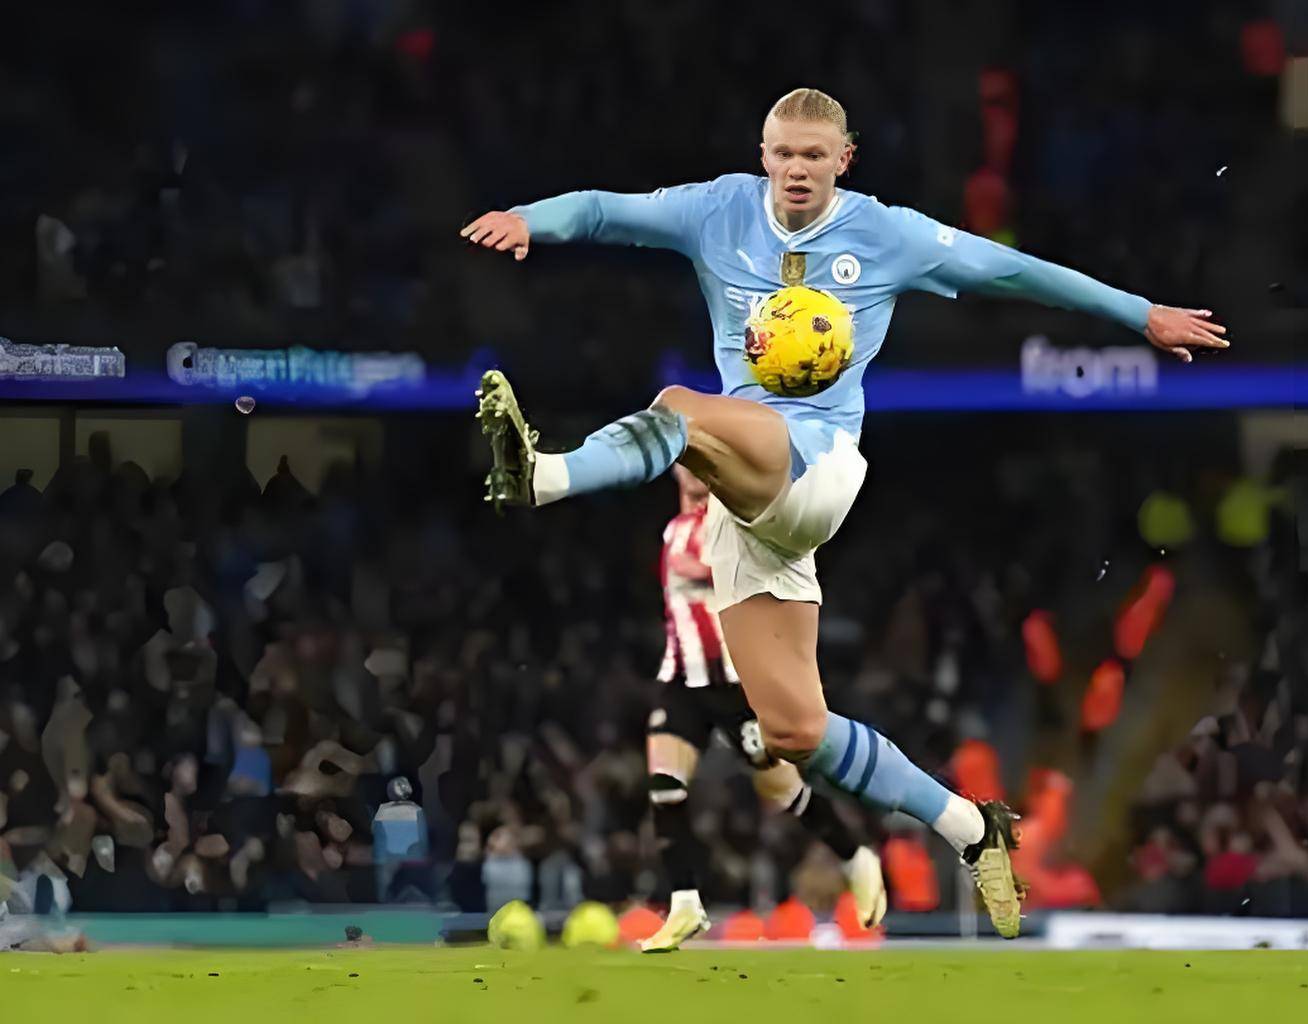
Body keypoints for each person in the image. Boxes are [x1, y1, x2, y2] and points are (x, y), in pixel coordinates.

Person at [462, 87, 1228, 937]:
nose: (795, 170)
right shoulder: (717, 210)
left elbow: (1013, 271)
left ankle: (544, 477)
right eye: (782, 153)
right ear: (763, 153)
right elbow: (607, 211)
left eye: (812, 157)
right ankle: (972, 828)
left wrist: (1140, 315)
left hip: (819, 464)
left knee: (681, 404)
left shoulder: (885, 234)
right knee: (795, 730)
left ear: (843, 161)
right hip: (747, 505)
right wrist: (532, 219)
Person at [641, 464, 883, 952]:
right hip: (683, 680)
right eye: (684, 470)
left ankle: (856, 856)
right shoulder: (673, 531)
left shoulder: (737, 527)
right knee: (665, 785)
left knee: (783, 790)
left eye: (702, 471)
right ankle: (685, 904)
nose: (693, 480)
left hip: (738, 684)